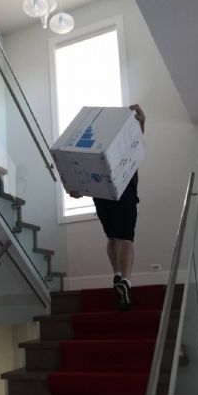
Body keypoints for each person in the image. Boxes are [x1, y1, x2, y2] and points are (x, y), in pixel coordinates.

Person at [70, 104, 145, 310]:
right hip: (124, 191)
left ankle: (117, 274)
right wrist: (142, 122)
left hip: (101, 194)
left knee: (112, 237)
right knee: (126, 238)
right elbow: (136, 143)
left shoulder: (93, 144)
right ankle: (125, 281)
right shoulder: (122, 142)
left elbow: (77, 166)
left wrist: (77, 187)